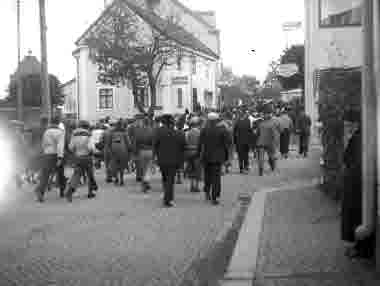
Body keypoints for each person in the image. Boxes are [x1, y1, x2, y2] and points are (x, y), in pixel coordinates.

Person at [341, 123, 375, 259]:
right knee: (361, 215)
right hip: (363, 183)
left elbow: (346, 158)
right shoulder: (367, 137)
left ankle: (361, 248)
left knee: (356, 216)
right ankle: (362, 247)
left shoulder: (358, 138)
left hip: (356, 184)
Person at [198, 113, 231, 205]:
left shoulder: (204, 130)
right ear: (217, 120)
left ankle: (207, 192)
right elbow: (226, 144)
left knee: (207, 176)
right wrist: (226, 157)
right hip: (217, 157)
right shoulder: (222, 130)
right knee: (216, 178)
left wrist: (199, 155)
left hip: (206, 156)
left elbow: (200, 144)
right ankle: (214, 197)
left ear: (208, 120)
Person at [153, 114, 186, 207]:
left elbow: (155, 145)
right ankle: (168, 199)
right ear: (172, 123)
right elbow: (183, 146)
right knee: (170, 180)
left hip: (162, 160)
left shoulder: (159, 133)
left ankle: (166, 194)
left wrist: (155, 157)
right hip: (174, 160)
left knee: (165, 178)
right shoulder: (179, 133)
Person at [34, 116, 66, 202]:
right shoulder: (60, 132)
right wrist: (60, 157)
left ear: (51, 122)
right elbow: (60, 145)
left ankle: (40, 193)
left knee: (45, 175)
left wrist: (45, 151)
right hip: (56, 155)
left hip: (47, 154)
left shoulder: (46, 132)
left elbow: (43, 143)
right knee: (60, 173)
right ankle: (62, 191)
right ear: (58, 123)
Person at [66, 120, 98, 202]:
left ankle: (70, 191)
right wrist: (94, 152)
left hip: (78, 157)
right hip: (87, 157)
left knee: (76, 175)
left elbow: (70, 147)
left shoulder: (74, 134)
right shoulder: (88, 135)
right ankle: (90, 193)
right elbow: (90, 147)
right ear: (86, 127)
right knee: (90, 175)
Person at [133, 116, 154, 192]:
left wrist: (135, 153)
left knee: (142, 169)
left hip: (141, 151)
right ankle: (147, 181)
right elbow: (153, 142)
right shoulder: (151, 130)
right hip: (150, 151)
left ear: (143, 122)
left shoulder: (139, 131)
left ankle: (144, 184)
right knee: (148, 168)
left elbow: (136, 142)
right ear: (148, 122)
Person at [256, 109, 279, 176]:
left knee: (261, 158)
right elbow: (274, 135)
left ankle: (261, 170)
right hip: (270, 142)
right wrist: (275, 143)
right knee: (271, 156)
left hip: (260, 142)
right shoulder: (272, 124)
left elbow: (257, 133)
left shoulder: (260, 124)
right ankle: (272, 167)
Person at [108, 119, 130, 186]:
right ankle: (122, 179)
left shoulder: (112, 132)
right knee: (122, 165)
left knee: (115, 165)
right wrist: (129, 150)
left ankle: (116, 178)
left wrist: (110, 149)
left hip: (114, 150)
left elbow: (109, 142)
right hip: (123, 150)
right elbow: (128, 142)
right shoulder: (124, 132)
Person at [185, 116, 202, 192]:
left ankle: (191, 185)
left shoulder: (187, 133)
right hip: (197, 152)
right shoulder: (199, 132)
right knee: (197, 170)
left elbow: (185, 143)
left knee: (191, 169)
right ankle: (196, 186)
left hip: (189, 152)